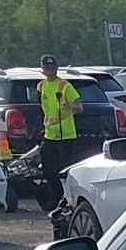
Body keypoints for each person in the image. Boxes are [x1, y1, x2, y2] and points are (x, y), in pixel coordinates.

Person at [34, 55, 82, 212]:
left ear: (56, 68)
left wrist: (67, 110)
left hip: (66, 136)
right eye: (47, 68)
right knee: (49, 171)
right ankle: (55, 200)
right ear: (42, 69)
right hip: (49, 135)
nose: (50, 70)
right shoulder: (41, 86)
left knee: (66, 171)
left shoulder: (64, 86)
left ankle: (69, 200)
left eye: (52, 68)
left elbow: (79, 107)